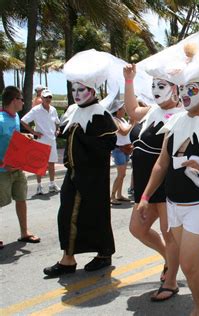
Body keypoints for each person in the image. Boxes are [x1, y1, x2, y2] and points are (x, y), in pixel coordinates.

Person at [137, 42, 199, 316]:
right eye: (181, 89)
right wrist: (146, 197)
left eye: (190, 89)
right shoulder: (175, 122)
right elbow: (161, 163)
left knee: (190, 262)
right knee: (184, 262)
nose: (184, 94)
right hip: (173, 202)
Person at [44, 50, 119, 277]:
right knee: (67, 214)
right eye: (74, 90)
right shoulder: (72, 110)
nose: (76, 94)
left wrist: (83, 138)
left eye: (81, 90)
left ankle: (103, 253)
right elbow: (68, 136)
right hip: (73, 173)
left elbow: (108, 143)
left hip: (92, 177)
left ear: (92, 91)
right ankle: (68, 258)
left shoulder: (99, 113)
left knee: (93, 214)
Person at [123, 61, 182, 301]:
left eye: (162, 85)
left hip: (167, 185)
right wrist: (129, 80)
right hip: (144, 185)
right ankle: (168, 259)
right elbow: (131, 110)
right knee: (137, 229)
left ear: (176, 89)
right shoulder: (151, 112)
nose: (156, 90)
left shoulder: (182, 116)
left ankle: (171, 282)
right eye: (154, 85)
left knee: (170, 235)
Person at [0, 86, 41, 246]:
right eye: (21, 99)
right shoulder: (1, 120)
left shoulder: (16, 117)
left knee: (21, 199)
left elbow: (13, 136)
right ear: (13, 100)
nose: (23, 102)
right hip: (2, 171)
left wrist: (26, 136)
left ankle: (24, 232)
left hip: (17, 168)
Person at [20, 89, 61, 195]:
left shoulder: (53, 109)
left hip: (52, 140)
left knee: (51, 164)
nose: (48, 99)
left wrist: (57, 130)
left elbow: (57, 122)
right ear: (42, 98)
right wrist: (34, 132)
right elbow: (24, 121)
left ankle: (52, 184)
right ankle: (39, 186)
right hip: (41, 141)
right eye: (46, 97)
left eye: (50, 97)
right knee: (39, 164)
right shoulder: (36, 110)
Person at [109, 100, 134, 205]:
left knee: (122, 175)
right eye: (122, 108)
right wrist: (132, 123)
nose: (124, 110)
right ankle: (112, 196)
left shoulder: (122, 119)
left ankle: (119, 195)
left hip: (125, 149)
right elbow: (124, 132)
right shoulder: (114, 120)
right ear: (118, 110)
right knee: (121, 174)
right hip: (119, 149)